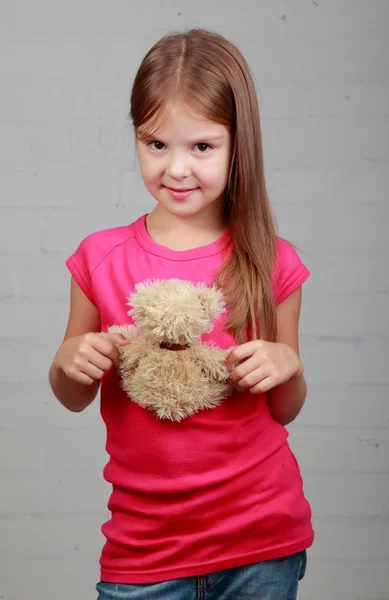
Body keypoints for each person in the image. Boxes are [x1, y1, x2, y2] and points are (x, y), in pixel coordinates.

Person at [49, 29, 313, 600]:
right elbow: (72, 395)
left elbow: (285, 410)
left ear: (237, 144)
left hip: (261, 541)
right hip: (145, 549)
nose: (176, 169)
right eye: (155, 144)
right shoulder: (99, 257)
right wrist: (69, 360)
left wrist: (286, 363)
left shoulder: (271, 261)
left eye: (202, 147)